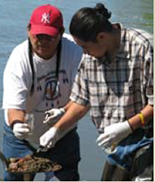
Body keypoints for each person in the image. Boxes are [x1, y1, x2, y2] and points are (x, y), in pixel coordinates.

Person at [40, 3, 153, 181]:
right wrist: (56, 129)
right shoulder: (90, 58)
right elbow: (81, 101)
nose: (84, 52)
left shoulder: (144, 47)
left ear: (101, 37)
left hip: (148, 139)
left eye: (85, 47)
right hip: (118, 145)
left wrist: (128, 126)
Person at [2, 4, 83, 181]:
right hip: (22, 138)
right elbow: (13, 106)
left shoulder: (77, 52)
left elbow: (85, 98)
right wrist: (16, 124)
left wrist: (59, 121)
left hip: (63, 134)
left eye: (49, 36)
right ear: (28, 30)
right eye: (38, 35)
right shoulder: (19, 58)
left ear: (61, 32)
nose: (43, 41)